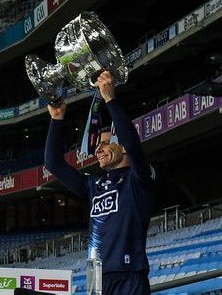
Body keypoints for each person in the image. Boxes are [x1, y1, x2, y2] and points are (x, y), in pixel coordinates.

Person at [44, 71, 154, 295]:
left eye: (105, 143)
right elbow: (53, 164)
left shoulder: (139, 179)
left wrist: (110, 99)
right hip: (96, 278)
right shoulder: (93, 185)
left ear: (121, 147)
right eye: (98, 145)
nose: (98, 149)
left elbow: (133, 144)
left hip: (129, 274)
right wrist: (56, 120)